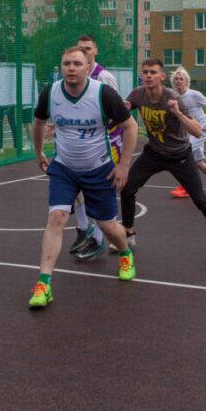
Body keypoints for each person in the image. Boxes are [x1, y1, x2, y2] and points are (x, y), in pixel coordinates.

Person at [28, 46, 138, 308]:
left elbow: (131, 126)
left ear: (88, 68)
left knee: (107, 226)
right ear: (61, 67)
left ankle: (125, 253)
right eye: (66, 63)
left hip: (98, 169)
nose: (71, 68)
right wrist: (39, 151)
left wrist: (123, 166)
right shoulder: (51, 92)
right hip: (64, 168)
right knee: (56, 217)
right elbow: (39, 121)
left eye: (77, 64)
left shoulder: (102, 93)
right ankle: (44, 283)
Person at [118, 58, 206, 255]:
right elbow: (124, 109)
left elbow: (198, 132)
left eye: (153, 72)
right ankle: (128, 233)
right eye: (145, 72)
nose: (149, 75)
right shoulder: (138, 94)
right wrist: (118, 107)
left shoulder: (172, 98)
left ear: (162, 77)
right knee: (127, 187)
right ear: (141, 75)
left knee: (200, 199)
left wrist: (178, 114)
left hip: (179, 155)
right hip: (154, 153)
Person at [66, 34, 122, 258]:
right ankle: (83, 228)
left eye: (88, 48)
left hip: (106, 144)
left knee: (97, 192)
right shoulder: (73, 76)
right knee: (70, 188)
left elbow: (118, 112)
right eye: (80, 48)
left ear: (95, 51)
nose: (85, 51)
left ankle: (98, 239)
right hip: (78, 144)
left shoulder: (104, 76)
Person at [168, 68, 206, 196]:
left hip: (201, 130)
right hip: (190, 132)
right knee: (198, 162)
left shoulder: (194, 94)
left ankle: (185, 187)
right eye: (176, 79)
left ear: (187, 81)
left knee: (184, 154)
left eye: (181, 79)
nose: (178, 81)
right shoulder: (174, 96)